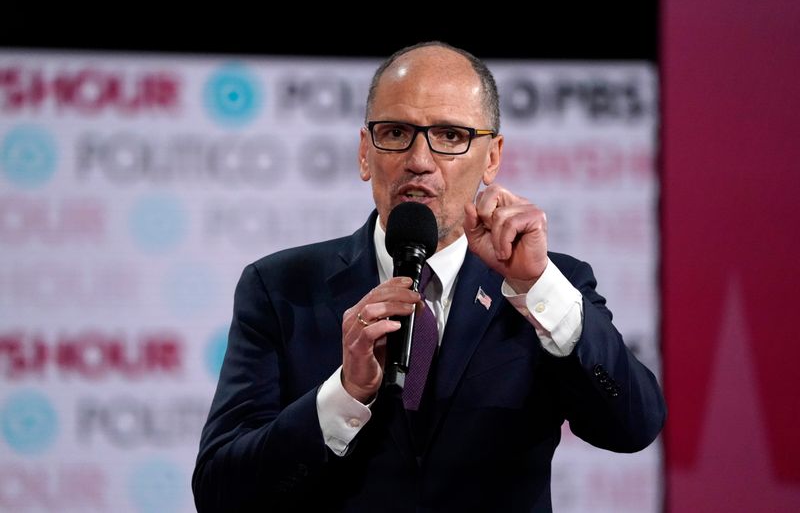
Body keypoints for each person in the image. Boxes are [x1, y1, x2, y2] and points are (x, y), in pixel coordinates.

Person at [192, 41, 666, 512]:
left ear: (492, 157)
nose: (419, 160)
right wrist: (344, 395)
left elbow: (633, 427)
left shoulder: (547, 287)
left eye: (450, 135)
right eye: (396, 132)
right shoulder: (280, 289)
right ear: (364, 153)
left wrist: (538, 287)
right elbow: (220, 493)